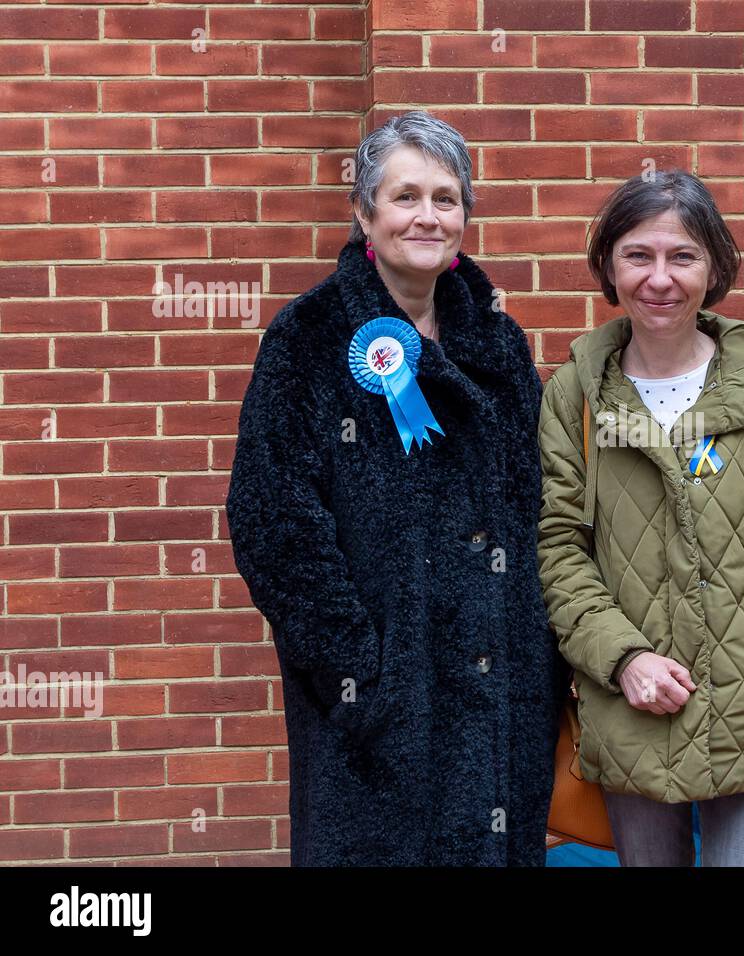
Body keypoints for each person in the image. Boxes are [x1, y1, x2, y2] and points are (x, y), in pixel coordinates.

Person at [225, 111, 563, 866]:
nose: (428, 216)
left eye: (447, 198)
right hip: (379, 705)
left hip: (501, 692)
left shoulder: (498, 343)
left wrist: (542, 661)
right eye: (405, 196)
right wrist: (359, 673)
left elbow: (536, 504)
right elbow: (273, 521)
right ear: (364, 213)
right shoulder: (307, 338)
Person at [537, 170, 744, 866]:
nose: (660, 278)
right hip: (634, 712)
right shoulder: (576, 395)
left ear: (714, 266)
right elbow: (558, 548)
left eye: (682, 256)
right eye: (638, 255)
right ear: (608, 266)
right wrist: (622, 659)